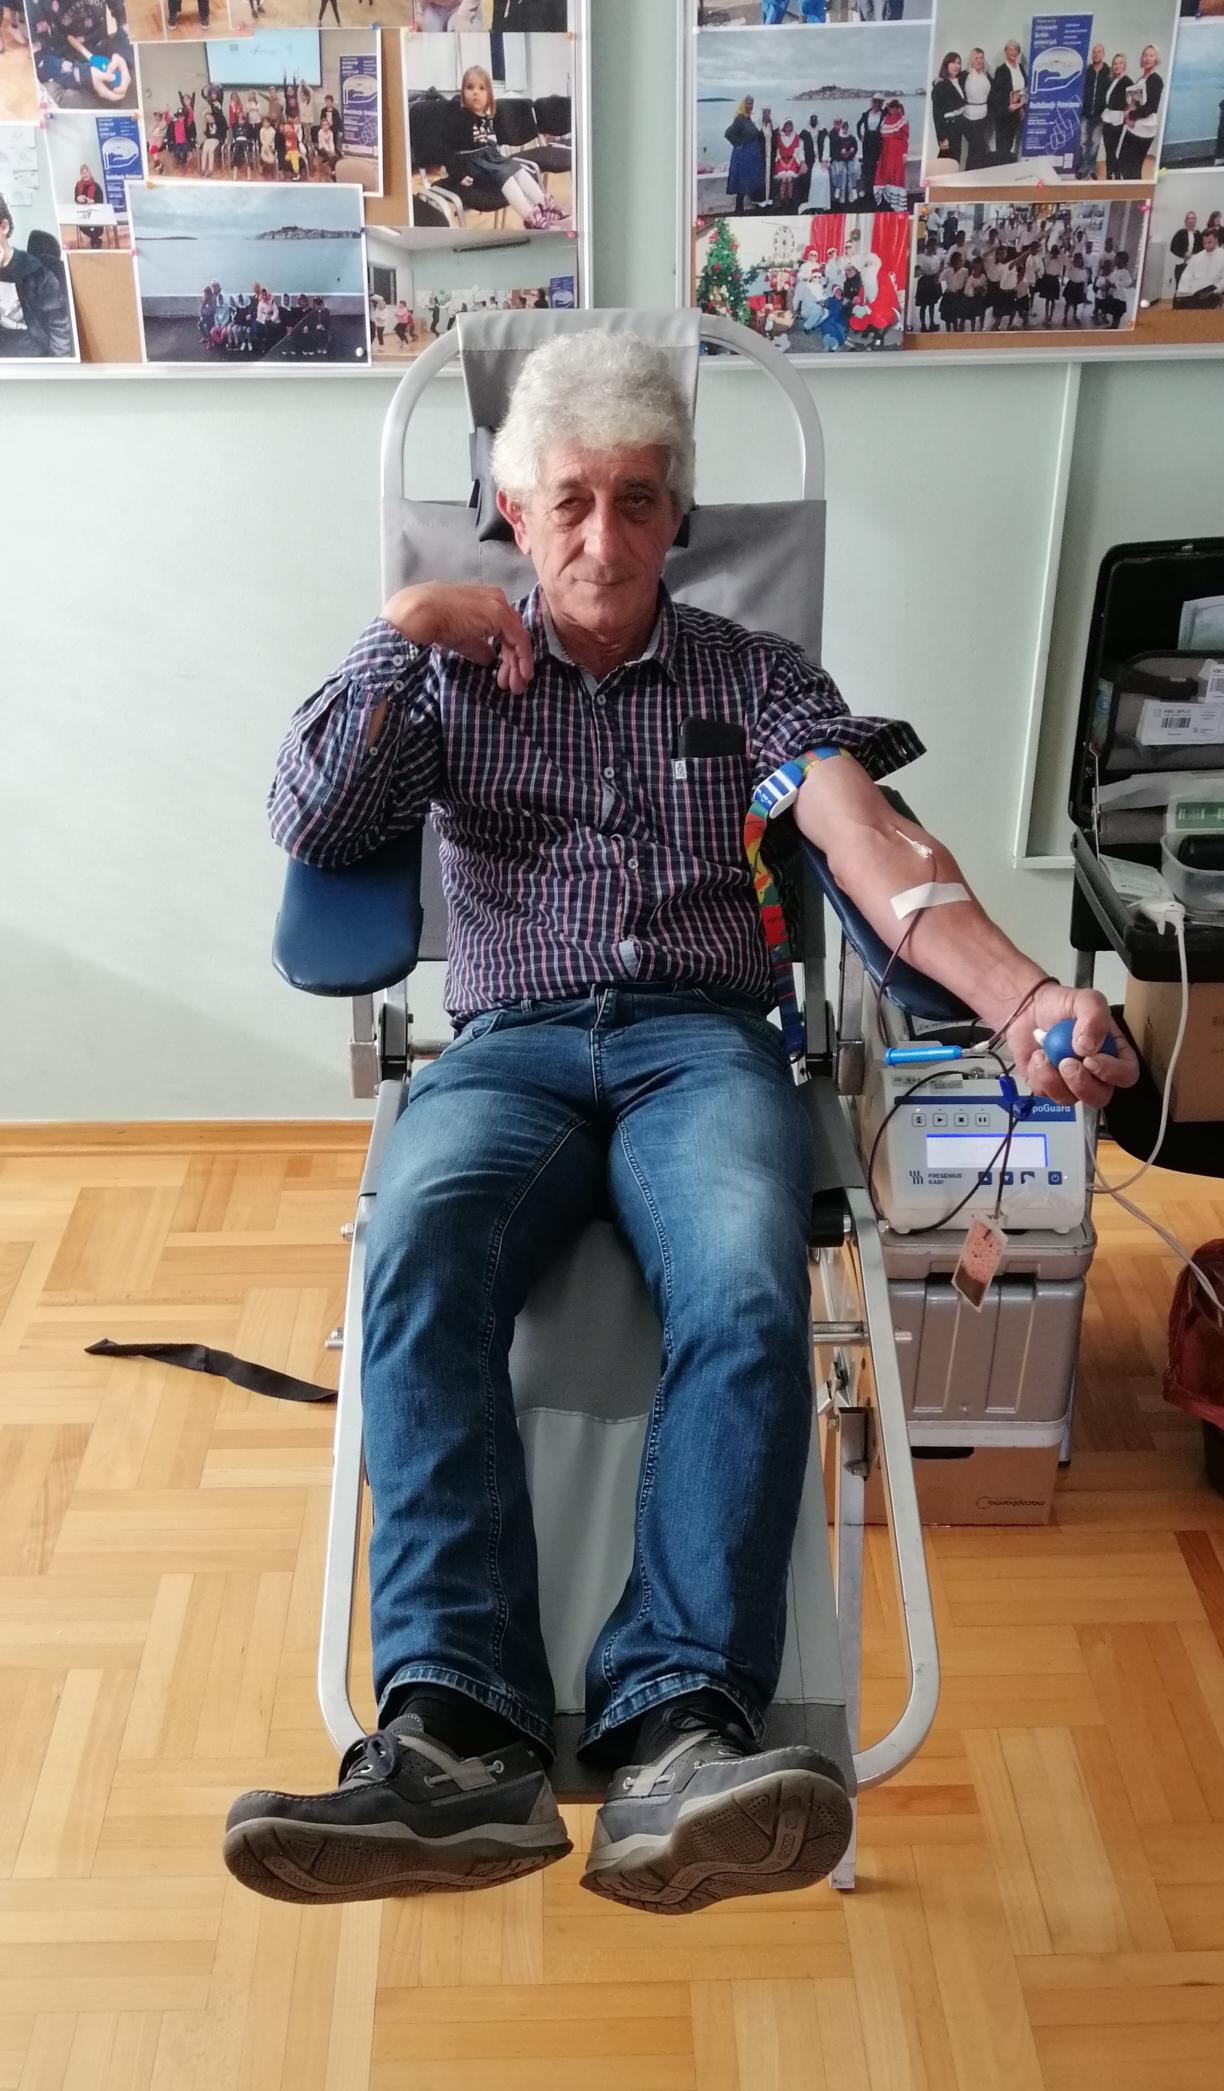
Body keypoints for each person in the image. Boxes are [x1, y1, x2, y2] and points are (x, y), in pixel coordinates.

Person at [223, 331, 1136, 1913]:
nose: (603, 536)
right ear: (514, 513)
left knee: (740, 1280)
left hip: (701, 1048)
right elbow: (313, 821)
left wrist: (1023, 1000)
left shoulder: (753, 677)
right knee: (415, 1256)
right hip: (508, 1052)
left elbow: (874, 848)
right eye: (570, 501)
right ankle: (458, 1733)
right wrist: (398, 631)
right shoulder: (448, 669)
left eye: (637, 500)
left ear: (677, 516)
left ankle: (680, 1727)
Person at [443, 62, 567, 230]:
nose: (475, 92)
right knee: (505, 176)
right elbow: (448, 149)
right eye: (470, 87)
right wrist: (458, 175)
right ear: (462, 92)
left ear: (489, 95)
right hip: (471, 164)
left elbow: (483, 141)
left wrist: (493, 152)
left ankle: (546, 206)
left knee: (517, 168)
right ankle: (531, 219)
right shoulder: (459, 116)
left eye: (481, 88)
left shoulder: (484, 115)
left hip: (487, 158)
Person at [0, 189, 73, 356]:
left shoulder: (36, 272)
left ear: (4, 227)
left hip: (30, 352)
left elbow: (59, 328)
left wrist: (59, 366)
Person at [1118, 46, 1163, 179]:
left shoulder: (1156, 79)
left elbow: (1151, 107)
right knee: (1124, 164)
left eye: (1151, 55)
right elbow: (1137, 103)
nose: (1147, 58)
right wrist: (1128, 113)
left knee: (1133, 168)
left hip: (1144, 129)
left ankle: (1135, 192)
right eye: (1145, 55)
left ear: (1156, 59)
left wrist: (1130, 116)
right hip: (1135, 127)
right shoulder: (1142, 78)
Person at [724, 95, 765, 214]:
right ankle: (739, 210)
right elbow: (728, 133)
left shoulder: (748, 118)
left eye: (751, 104)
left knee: (749, 181)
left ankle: (746, 208)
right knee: (742, 183)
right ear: (743, 104)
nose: (750, 106)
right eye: (748, 103)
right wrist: (738, 144)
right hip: (743, 156)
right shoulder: (740, 118)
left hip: (751, 156)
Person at [1077, 43, 1109, 180]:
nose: (1096, 54)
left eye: (1099, 52)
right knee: (1083, 142)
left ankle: (1092, 169)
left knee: (1095, 143)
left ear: (1103, 54)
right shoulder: (1087, 71)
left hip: (1100, 115)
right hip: (1086, 113)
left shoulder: (1109, 72)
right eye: (1094, 52)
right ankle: (1083, 168)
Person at [990, 40, 1026, 162]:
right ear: (1005, 51)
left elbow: (1023, 90)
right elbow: (996, 95)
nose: (1013, 52)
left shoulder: (1021, 68)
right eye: (1010, 49)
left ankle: (1007, 166)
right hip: (1004, 114)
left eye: (1016, 49)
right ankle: (1001, 169)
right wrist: (1007, 106)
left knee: (1010, 143)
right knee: (1002, 146)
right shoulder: (1001, 70)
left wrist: (1021, 108)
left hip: (1016, 112)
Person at [873, 97, 908, 209]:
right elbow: (881, 137)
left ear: (897, 108)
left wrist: (904, 154)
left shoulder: (902, 120)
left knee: (896, 175)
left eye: (894, 108)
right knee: (885, 174)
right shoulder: (885, 120)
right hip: (886, 151)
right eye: (891, 108)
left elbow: (905, 138)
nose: (892, 110)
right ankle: (886, 201)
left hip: (897, 151)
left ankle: (896, 204)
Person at [931, 52, 966, 164]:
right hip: (949, 128)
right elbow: (937, 115)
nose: (956, 66)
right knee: (949, 162)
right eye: (952, 62)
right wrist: (942, 138)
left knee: (955, 161)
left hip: (959, 126)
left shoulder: (960, 80)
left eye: (958, 63)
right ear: (946, 64)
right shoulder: (940, 85)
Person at [1175, 224, 1224, 305]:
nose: (1207, 245)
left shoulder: (1222, 255)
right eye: (1205, 243)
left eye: (1209, 242)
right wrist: (1182, 291)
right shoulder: (1197, 257)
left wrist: (1215, 292)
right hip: (1195, 293)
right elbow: (1186, 276)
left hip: (1212, 293)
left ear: (1216, 240)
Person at [961, 46, 991, 168]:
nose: (979, 60)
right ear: (971, 60)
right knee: (977, 148)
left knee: (977, 149)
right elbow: (951, 82)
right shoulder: (965, 75)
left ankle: (974, 173)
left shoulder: (986, 75)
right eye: (976, 58)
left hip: (984, 117)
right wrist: (938, 80)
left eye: (981, 58)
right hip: (969, 118)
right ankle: (969, 173)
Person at [1101, 56, 1130, 182]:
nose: (1117, 66)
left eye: (1120, 63)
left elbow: (1132, 102)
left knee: (1114, 150)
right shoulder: (1112, 79)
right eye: (1115, 63)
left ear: (1124, 65)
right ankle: (1109, 174)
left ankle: (1117, 175)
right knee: (1108, 149)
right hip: (1107, 116)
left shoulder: (1127, 81)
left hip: (1118, 118)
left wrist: (1127, 115)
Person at [913, 228, 943, 329]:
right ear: (928, 246)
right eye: (931, 245)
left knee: (932, 305)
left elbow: (940, 266)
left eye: (935, 245)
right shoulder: (921, 257)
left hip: (933, 281)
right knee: (923, 305)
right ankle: (923, 325)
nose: (933, 247)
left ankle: (931, 323)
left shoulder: (937, 258)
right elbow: (917, 271)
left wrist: (938, 275)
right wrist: (918, 269)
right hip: (925, 282)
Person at [857, 95, 884, 202]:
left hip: (877, 142)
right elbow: (858, 125)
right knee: (866, 165)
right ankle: (867, 191)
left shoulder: (883, 114)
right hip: (867, 142)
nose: (875, 104)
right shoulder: (866, 114)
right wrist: (860, 136)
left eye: (878, 102)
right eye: (874, 102)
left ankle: (876, 191)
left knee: (876, 166)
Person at [772, 118, 802, 204]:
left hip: (792, 160)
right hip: (781, 160)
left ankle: (790, 199)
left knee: (789, 179)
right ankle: (782, 200)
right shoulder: (779, 137)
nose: (788, 127)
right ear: (783, 126)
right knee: (783, 179)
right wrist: (782, 162)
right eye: (786, 125)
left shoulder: (796, 136)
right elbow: (778, 152)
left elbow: (796, 152)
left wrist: (789, 164)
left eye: (789, 125)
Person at [73, 162, 104, 244]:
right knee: (82, 225)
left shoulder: (96, 186)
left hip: (95, 212)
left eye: (86, 172)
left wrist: (93, 201)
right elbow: (76, 198)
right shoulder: (78, 185)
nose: (85, 175)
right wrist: (78, 199)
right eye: (83, 173)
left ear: (89, 173)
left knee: (99, 229)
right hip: (83, 213)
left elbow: (101, 201)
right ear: (81, 175)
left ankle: (94, 240)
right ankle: (96, 240)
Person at [1171, 210, 1200, 293]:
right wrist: (1184, 254)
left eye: (1194, 219)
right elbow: (1173, 247)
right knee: (1180, 286)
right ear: (1186, 220)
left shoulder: (1198, 234)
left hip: (1193, 264)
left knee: (1192, 286)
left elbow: (1201, 248)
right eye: (1190, 218)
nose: (1192, 221)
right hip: (1181, 264)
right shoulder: (1180, 233)